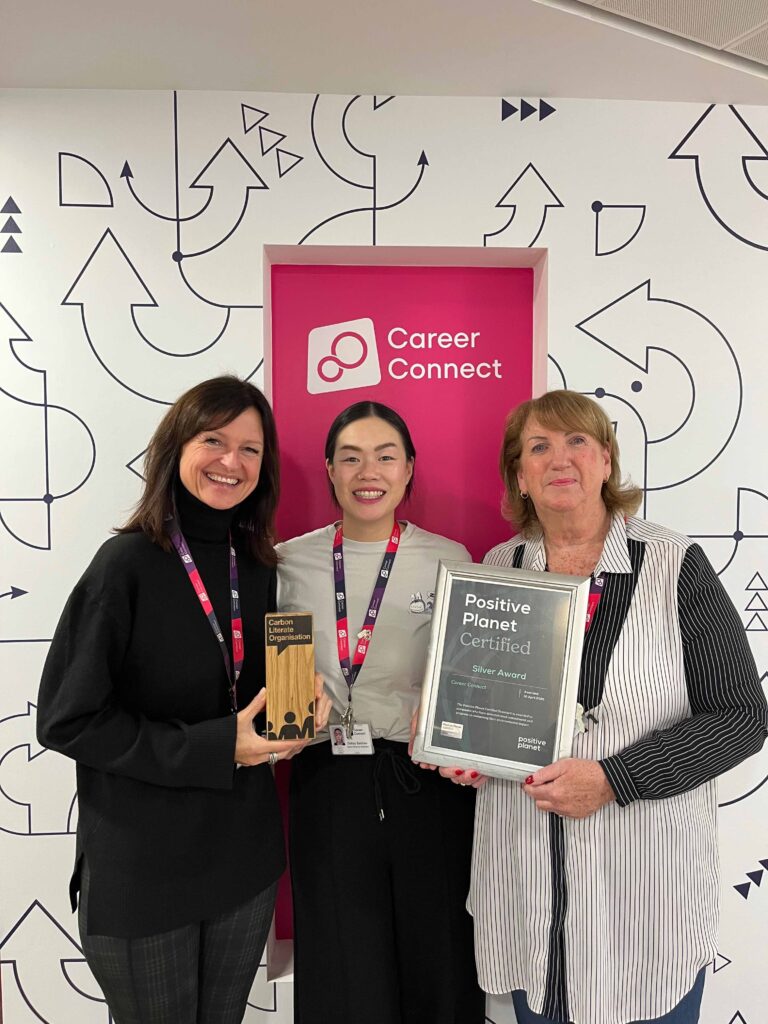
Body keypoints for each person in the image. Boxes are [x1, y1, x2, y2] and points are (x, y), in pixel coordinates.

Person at [465, 389, 767, 1024]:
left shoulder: (674, 562)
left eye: (578, 441)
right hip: (528, 895)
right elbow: (490, 705)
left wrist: (612, 780)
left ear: (606, 460)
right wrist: (463, 742)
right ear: (519, 475)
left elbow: (741, 716)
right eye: (538, 447)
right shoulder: (499, 566)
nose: (559, 459)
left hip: (642, 901)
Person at [37, 376, 329, 1024]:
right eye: (214, 440)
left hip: (241, 859)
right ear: (177, 447)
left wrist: (296, 710)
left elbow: (244, 693)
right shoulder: (126, 565)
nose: (232, 462)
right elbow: (67, 718)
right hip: (144, 867)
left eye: (251, 449)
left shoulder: (254, 565)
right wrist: (220, 744)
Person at [277, 401, 486, 1024]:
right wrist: (290, 716)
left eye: (386, 456)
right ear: (330, 471)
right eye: (351, 457)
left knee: (439, 958)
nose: (369, 471)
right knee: (342, 962)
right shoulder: (290, 562)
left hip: (425, 780)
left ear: (409, 469)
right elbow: (281, 673)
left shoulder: (450, 558)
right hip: (326, 778)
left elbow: (472, 677)